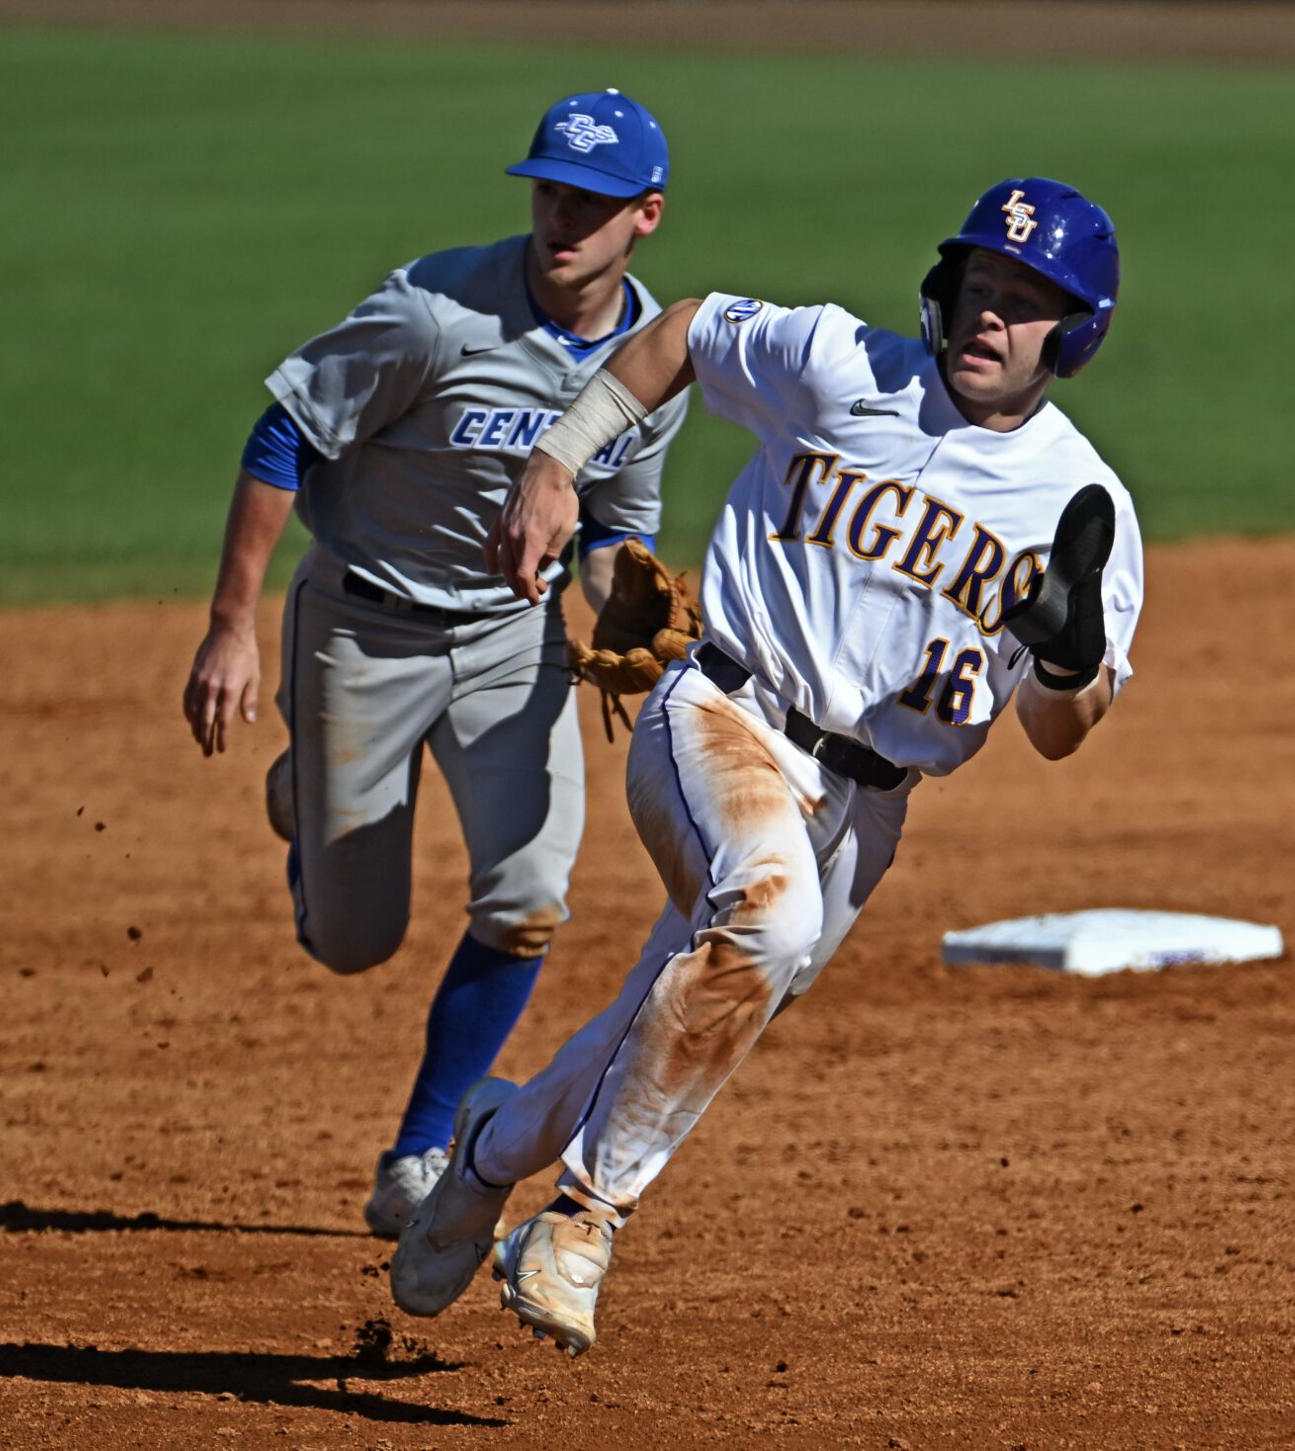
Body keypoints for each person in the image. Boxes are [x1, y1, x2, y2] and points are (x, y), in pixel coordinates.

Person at [388, 177, 1144, 1355]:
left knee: (678, 1012)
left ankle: (488, 1149)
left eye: (1029, 301)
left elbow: (1059, 728)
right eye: (981, 286)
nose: (992, 315)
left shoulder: (1086, 505)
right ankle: (581, 1222)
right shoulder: (847, 365)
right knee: (769, 922)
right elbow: (684, 330)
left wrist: (1069, 651)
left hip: (867, 812)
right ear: (945, 289)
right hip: (724, 714)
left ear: (1078, 333)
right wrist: (557, 461)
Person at [180, 89, 689, 1238]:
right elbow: (286, 432)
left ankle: (417, 1151)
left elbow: (611, 529)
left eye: (595, 203)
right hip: (364, 622)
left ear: (645, 216)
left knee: (527, 899)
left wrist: (617, 607)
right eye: (551, 190)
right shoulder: (433, 312)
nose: (564, 218)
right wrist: (230, 624)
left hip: (513, 641)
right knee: (352, 942)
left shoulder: (650, 361)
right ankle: (308, 793)